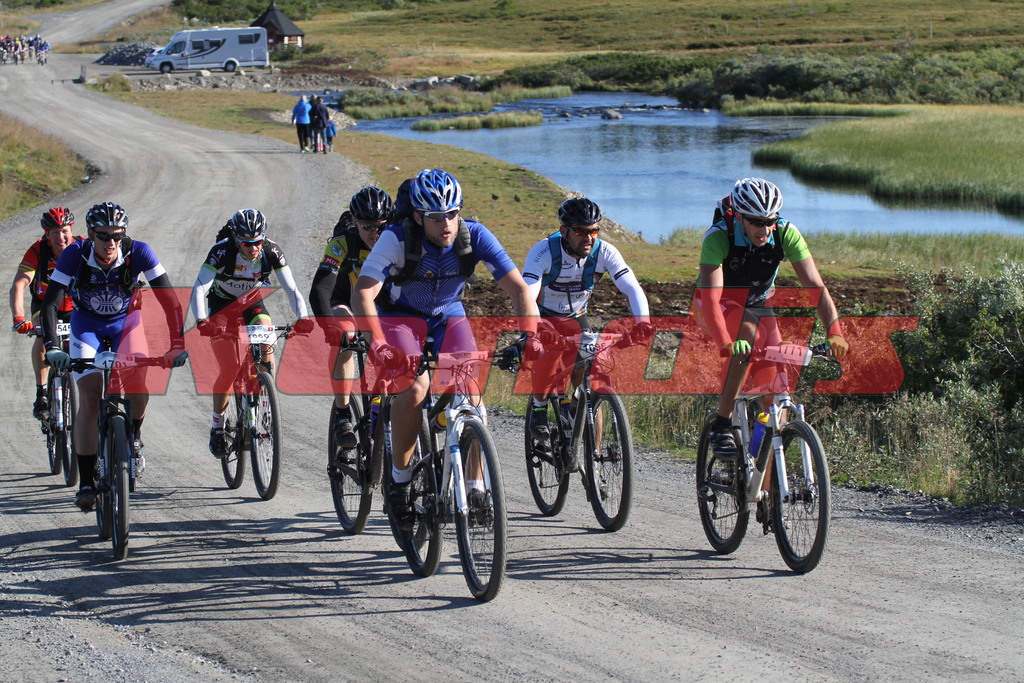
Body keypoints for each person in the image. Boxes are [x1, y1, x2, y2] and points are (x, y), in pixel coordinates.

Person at [352, 168, 540, 529]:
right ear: (419, 217)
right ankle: (401, 480)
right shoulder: (395, 237)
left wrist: (528, 338)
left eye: (452, 214)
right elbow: (363, 292)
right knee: (416, 386)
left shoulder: (476, 236)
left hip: (447, 314)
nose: (447, 225)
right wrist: (377, 343)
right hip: (399, 317)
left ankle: (475, 486)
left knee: (471, 396)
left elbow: (518, 289)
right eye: (437, 218)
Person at [41, 202, 189, 511]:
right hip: (87, 326)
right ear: (91, 234)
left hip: (127, 323)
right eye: (104, 236)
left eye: (117, 236)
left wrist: (177, 342)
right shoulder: (74, 254)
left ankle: (133, 436)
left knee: (137, 385)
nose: (111, 243)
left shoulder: (139, 252)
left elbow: (170, 302)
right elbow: (51, 305)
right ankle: (85, 482)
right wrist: (54, 346)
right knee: (91, 397)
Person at [694, 177, 849, 455]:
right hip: (715, 304)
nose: (764, 229)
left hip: (757, 303)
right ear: (740, 217)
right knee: (748, 338)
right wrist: (726, 342)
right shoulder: (719, 236)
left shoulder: (786, 233)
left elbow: (816, 287)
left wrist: (834, 331)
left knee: (775, 395)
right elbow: (711, 300)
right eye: (756, 222)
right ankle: (722, 423)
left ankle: (767, 487)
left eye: (770, 221)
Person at [520, 197, 654, 453]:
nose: (588, 237)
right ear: (564, 231)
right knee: (548, 355)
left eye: (593, 230)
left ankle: (594, 453)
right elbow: (527, 292)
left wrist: (643, 322)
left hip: (575, 318)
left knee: (591, 378)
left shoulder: (605, 252)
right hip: (543, 316)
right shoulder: (544, 251)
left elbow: (631, 287)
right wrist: (535, 330)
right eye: (581, 231)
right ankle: (539, 406)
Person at [191, 208, 314, 458]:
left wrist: (303, 317)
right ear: (237, 239)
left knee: (266, 348)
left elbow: (292, 289)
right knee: (229, 368)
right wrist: (202, 320)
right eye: (247, 244)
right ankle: (217, 426)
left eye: (257, 242)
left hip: (252, 303)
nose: (253, 248)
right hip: (221, 307)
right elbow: (199, 288)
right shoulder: (221, 251)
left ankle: (264, 400)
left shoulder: (271, 250)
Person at [309, 186, 393, 452]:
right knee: (345, 335)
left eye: (381, 226)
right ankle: (343, 413)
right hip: (345, 300)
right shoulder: (341, 243)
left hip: (382, 306)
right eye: (367, 226)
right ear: (355, 222)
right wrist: (329, 328)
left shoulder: (397, 239)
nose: (375, 234)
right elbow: (320, 290)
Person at [9, 207, 83, 420]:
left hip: (74, 306)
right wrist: (19, 318)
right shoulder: (37, 251)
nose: (61, 237)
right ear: (46, 234)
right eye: (54, 232)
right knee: (43, 338)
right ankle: (41, 393)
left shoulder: (83, 247)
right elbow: (19, 284)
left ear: (72, 230)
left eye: (64, 231)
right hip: (44, 305)